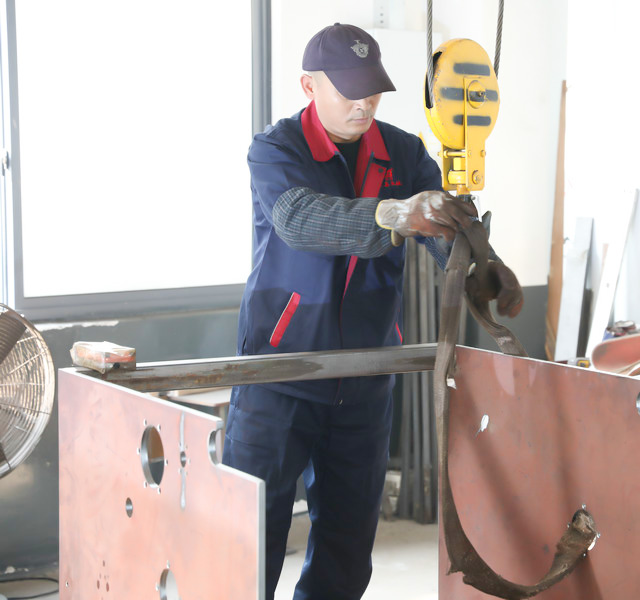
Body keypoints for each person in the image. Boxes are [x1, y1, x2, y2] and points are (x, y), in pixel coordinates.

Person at [223, 23, 524, 600]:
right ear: (309, 85)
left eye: (373, 90)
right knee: (249, 541)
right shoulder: (276, 149)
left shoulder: (404, 153)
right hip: (279, 376)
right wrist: (393, 213)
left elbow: (444, 233)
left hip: (364, 379)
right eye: (348, 90)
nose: (363, 103)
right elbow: (300, 220)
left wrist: (484, 269)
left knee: (346, 549)